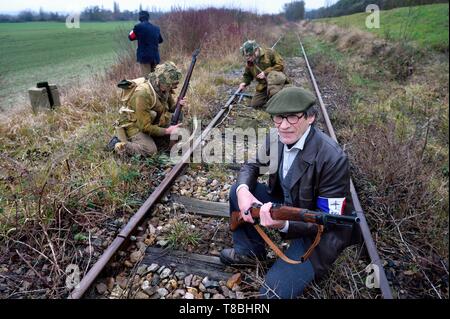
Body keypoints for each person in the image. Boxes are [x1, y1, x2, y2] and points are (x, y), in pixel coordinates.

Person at [220, 87, 357, 299]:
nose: (283, 126)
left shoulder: (333, 158)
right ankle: (249, 252)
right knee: (238, 191)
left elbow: (328, 220)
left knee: (271, 295)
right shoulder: (276, 137)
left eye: (293, 117)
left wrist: (283, 224)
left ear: (310, 117)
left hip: (319, 233)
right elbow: (252, 166)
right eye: (278, 118)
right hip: (288, 204)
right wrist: (243, 190)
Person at [109, 61, 187, 156]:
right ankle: (118, 144)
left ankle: (155, 138)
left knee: (180, 133)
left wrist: (179, 105)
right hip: (135, 125)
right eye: (172, 84)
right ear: (162, 82)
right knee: (151, 150)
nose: (174, 86)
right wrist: (167, 131)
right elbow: (145, 127)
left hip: (152, 121)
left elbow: (171, 109)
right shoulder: (142, 94)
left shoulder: (164, 88)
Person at [238, 40, 288, 109]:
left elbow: (280, 65)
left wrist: (266, 72)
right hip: (263, 85)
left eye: (249, 55)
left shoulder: (270, 53)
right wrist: (244, 82)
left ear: (256, 50)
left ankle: (279, 100)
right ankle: (271, 99)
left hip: (275, 81)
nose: (248, 58)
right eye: (246, 56)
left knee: (274, 94)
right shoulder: (250, 61)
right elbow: (247, 75)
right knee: (255, 104)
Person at [129, 10, 163, 76]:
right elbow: (160, 40)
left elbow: (130, 37)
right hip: (155, 57)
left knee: (146, 79)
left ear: (140, 18)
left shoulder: (138, 27)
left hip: (144, 57)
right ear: (148, 18)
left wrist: (136, 33)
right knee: (156, 78)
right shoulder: (156, 28)